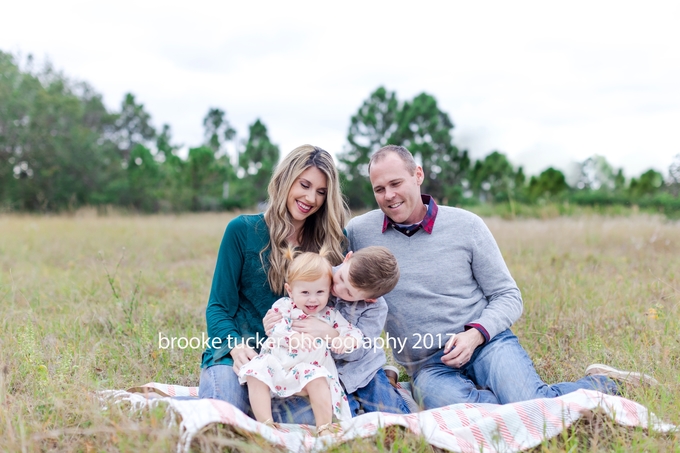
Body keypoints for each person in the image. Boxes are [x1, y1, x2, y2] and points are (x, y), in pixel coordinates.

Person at [345, 144, 657, 409]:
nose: (388, 195)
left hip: (487, 343)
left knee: (530, 402)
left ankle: (604, 384)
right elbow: (325, 273)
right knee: (471, 414)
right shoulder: (361, 232)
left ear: (418, 175)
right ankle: (511, 403)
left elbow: (508, 296)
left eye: (396, 183)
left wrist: (475, 334)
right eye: (379, 189)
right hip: (428, 366)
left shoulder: (466, 226)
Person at [198, 145, 349, 424]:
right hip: (241, 354)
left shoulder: (331, 244)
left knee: (332, 414)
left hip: (296, 364)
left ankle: (258, 415)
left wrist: (331, 333)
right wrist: (234, 345)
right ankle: (236, 407)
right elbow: (218, 307)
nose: (310, 198)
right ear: (284, 179)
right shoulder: (242, 230)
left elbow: (350, 300)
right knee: (226, 414)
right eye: (304, 185)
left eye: (321, 192)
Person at [265, 245, 411, 415]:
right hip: (326, 371)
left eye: (348, 292)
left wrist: (330, 334)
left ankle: (388, 380)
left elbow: (360, 349)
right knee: (341, 416)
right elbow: (293, 300)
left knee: (393, 414)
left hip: (364, 369)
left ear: (369, 299)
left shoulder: (376, 308)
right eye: (341, 277)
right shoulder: (320, 275)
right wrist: (273, 320)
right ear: (347, 258)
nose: (337, 288)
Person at [239, 249, 363, 435]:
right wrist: (292, 337)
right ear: (290, 290)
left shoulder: (330, 315)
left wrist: (343, 340)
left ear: (329, 290)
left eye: (320, 292)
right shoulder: (284, 306)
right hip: (278, 368)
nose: (313, 299)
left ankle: (324, 427)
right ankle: (265, 424)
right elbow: (275, 328)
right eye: (305, 292)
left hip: (307, 373)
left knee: (319, 378)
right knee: (256, 370)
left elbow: (353, 333)